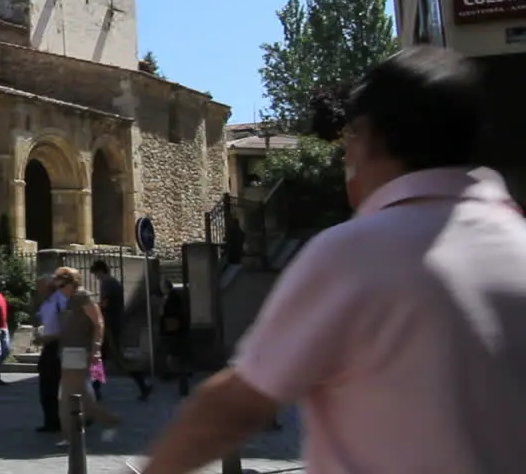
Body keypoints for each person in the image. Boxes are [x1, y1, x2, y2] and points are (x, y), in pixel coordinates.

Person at [140, 47, 526, 473]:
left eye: (350, 140)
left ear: (372, 137)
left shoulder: (357, 252)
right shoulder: (516, 239)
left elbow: (232, 407)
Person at [54, 267, 121, 442]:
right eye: (58, 286)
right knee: (74, 394)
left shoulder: (83, 296)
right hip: (69, 350)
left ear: (72, 283)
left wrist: (96, 349)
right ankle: (101, 420)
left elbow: (98, 323)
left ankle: (102, 420)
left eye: (62, 285)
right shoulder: (71, 299)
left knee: (72, 395)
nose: (60, 289)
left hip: (77, 351)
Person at [89, 260, 152, 401]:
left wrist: (93, 310)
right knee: (101, 358)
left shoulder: (108, 284)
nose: (96, 278)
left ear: (101, 271)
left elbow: (104, 304)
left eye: (96, 274)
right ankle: (96, 388)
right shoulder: (114, 283)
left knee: (119, 360)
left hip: (110, 327)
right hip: (112, 325)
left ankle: (142, 383)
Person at [33, 275, 67, 433]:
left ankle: (61, 420)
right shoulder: (46, 302)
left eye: (40, 286)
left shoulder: (60, 300)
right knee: (46, 386)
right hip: (48, 345)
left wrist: (48, 337)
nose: (37, 290)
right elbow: (41, 320)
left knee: (56, 386)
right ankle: (50, 421)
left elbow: (66, 328)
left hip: (58, 346)